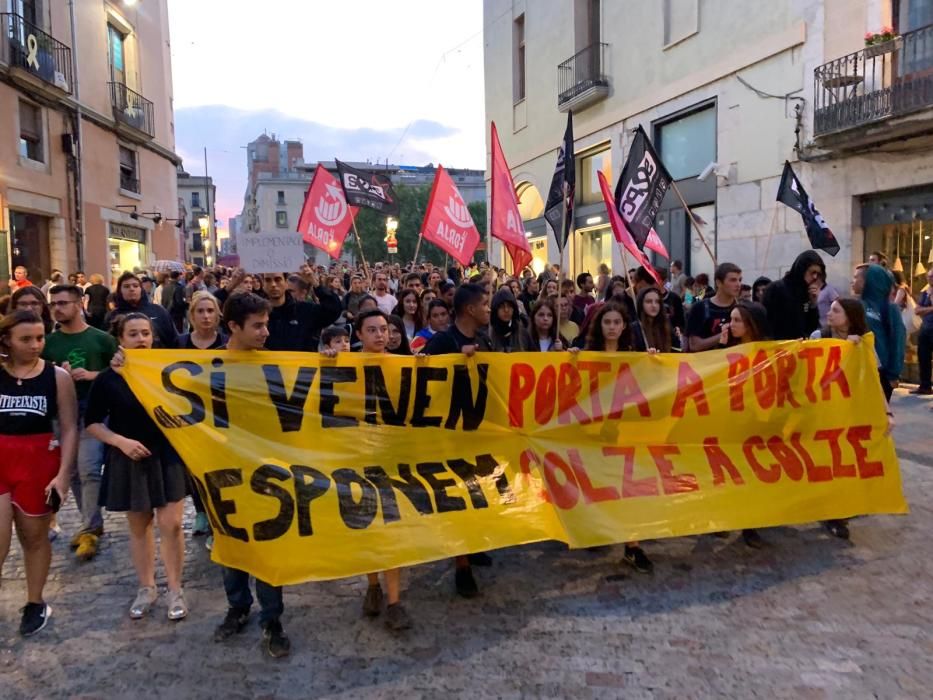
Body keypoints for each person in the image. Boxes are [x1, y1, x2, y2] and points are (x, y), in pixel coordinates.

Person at [85, 313, 189, 621]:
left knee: (171, 524)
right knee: (139, 526)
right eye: (133, 334)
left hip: (168, 454)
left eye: (145, 333)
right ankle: (147, 587)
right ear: (120, 339)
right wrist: (119, 442)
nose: (141, 339)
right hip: (129, 456)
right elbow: (91, 422)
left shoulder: (170, 371)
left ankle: (175, 589)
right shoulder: (108, 378)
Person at [323, 309, 413, 630]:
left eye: (384, 329)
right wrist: (329, 358)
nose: (380, 335)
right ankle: (372, 585)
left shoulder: (404, 363)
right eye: (372, 330)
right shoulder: (344, 364)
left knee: (391, 527)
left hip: (392, 455)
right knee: (367, 524)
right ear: (358, 335)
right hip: (355, 454)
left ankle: (394, 600)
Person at [212, 292, 291, 658]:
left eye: (267, 324)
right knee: (230, 542)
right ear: (233, 327)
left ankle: (271, 619)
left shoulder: (275, 362)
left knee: (267, 545)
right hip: (220, 467)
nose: (265, 332)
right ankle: (238, 606)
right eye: (257, 325)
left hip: (265, 470)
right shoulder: (205, 363)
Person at [0, 310, 77, 636]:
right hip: (2, 456)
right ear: (7, 341)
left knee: (34, 537)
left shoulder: (57, 376)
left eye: (40, 338)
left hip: (38, 460)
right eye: (26, 339)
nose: (35, 345)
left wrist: (63, 474)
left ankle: (35, 601)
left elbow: (71, 428)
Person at [423, 284, 492, 597]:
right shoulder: (443, 341)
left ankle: (475, 544)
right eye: (485, 304)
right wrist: (454, 359)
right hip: (451, 433)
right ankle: (461, 565)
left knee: (479, 492)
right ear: (470, 310)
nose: (489, 310)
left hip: (481, 430)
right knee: (457, 497)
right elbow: (423, 376)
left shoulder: (485, 340)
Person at [43, 284, 118, 561]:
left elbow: (119, 372)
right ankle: (92, 521)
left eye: (63, 303)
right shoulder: (48, 343)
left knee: (89, 469)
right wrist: (56, 375)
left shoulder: (100, 339)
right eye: (54, 304)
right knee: (72, 471)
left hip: (91, 412)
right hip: (59, 414)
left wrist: (92, 375)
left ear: (79, 304)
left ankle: (90, 527)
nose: (57, 308)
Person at [582, 303, 654, 573]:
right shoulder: (588, 357)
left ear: (624, 327)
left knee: (627, 489)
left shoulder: (634, 358)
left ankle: (632, 545)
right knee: (598, 486)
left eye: (616, 322)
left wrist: (653, 362)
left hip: (625, 433)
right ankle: (594, 530)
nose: (612, 327)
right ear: (599, 326)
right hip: (593, 433)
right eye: (607, 322)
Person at [810, 297, 872, 538]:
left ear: (850, 317)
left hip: (852, 412)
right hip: (824, 412)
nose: (830, 314)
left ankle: (841, 511)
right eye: (830, 309)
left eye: (836, 311)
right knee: (827, 462)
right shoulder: (819, 337)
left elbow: (870, 377)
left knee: (848, 463)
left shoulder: (864, 341)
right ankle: (831, 512)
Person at [716, 301, 772, 548]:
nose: (732, 324)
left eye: (737, 320)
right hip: (731, 421)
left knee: (754, 475)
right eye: (731, 319)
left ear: (751, 324)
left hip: (758, 422)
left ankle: (751, 525)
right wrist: (721, 344)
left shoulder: (769, 350)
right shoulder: (727, 348)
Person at [854, 264, 906, 402]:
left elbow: (897, 341)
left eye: (856, 277)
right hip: (858, 370)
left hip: (881, 373)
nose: (853, 281)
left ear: (869, 281)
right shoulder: (855, 305)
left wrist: (893, 375)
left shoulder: (889, 308)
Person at [261, 271, 341, 351]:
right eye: (268, 280)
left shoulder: (305, 310)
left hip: (302, 362)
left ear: (286, 283)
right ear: (263, 285)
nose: (273, 284)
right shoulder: (257, 313)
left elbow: (333, 309)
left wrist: (315, 283)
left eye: (278, 279)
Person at [762, 251, 824, 341]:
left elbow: (811, 328)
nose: (815, 277)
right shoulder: (776, 288)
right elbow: (766, 324)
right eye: (812, 272)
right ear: (802, 269)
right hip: (779, 348)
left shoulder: (806, 293)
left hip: (801, 349)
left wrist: (813, 304)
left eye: (818, 274)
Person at [106, 272, 178, 349]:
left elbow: (173, 339)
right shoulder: (112, 316)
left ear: (141, 289)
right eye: (126, 286)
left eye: (135, 286)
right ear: (120, 291)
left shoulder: (158, 311)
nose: (131, 289)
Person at [686, 263, 742, 352]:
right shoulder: (700, 308)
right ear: (719, 283)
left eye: (740, 280)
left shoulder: (743, 308)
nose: (738, 284)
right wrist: (724, 334)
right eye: (733, 280)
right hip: (708, 364)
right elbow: (694, 345)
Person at [913, 267, 933, 395]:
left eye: (932, 277)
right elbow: (917, 310)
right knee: (923, 358)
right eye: (929, 276)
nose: (930, 279)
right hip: (925, 329)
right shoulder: (926, 292)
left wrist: (927, 307)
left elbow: (922, 310)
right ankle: (925, 386)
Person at [637, 287, 675, 353]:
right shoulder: (636, 328)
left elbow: (676, 350)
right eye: (649, 301)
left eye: (657, 302)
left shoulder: (666, 325)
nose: (654, 305)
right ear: (641, 304)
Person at [489, 288, 526, 352]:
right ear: (495, 309)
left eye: (509, 306)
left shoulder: (523, 333)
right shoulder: (486, 335)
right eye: (501, 306)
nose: (506, 310)